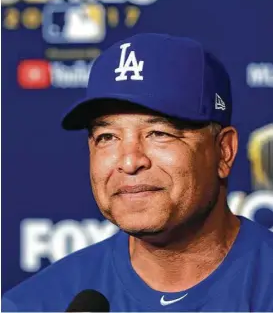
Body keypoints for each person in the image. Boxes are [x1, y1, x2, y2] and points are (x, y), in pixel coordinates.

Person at [2, 33, 273, 312]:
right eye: (107, 137)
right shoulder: (36, 304)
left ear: (224, 150)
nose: (130, 162)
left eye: (158, 133)